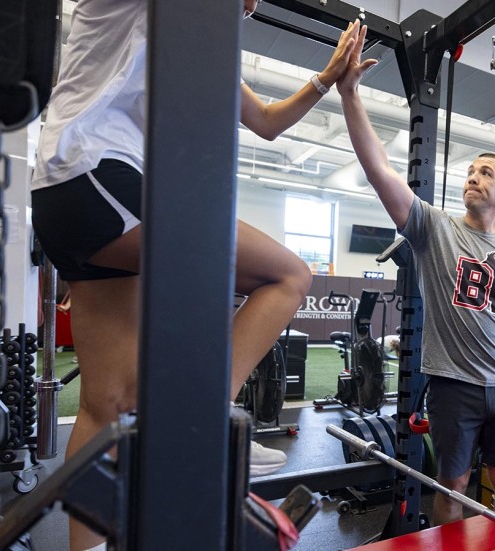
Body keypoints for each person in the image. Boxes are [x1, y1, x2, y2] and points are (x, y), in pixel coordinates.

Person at [30, 1, 361, 549]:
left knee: (104, 404)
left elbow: (268, 122)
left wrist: (328, 79)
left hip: (70, 192)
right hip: (96, 174)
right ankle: (208, 417)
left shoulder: (193, 42)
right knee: (289, 276)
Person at [336, 26, 495, 526]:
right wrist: (349, 94)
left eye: (486, 173)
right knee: (452, 486)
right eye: (470, 171)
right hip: (453, 386)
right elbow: (379, 172)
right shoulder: (433, 228)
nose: (473, 178)